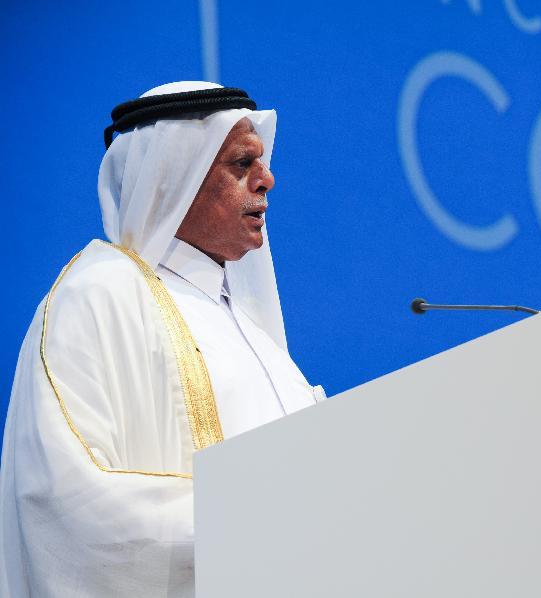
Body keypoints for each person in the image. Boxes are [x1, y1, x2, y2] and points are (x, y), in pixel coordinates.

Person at [0, 81, 324, 597]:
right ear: (175, 177)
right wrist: (254, 520)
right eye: (242, 164)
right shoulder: (100, 295)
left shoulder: (254, 334)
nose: (267, 180)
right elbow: (63, 502)